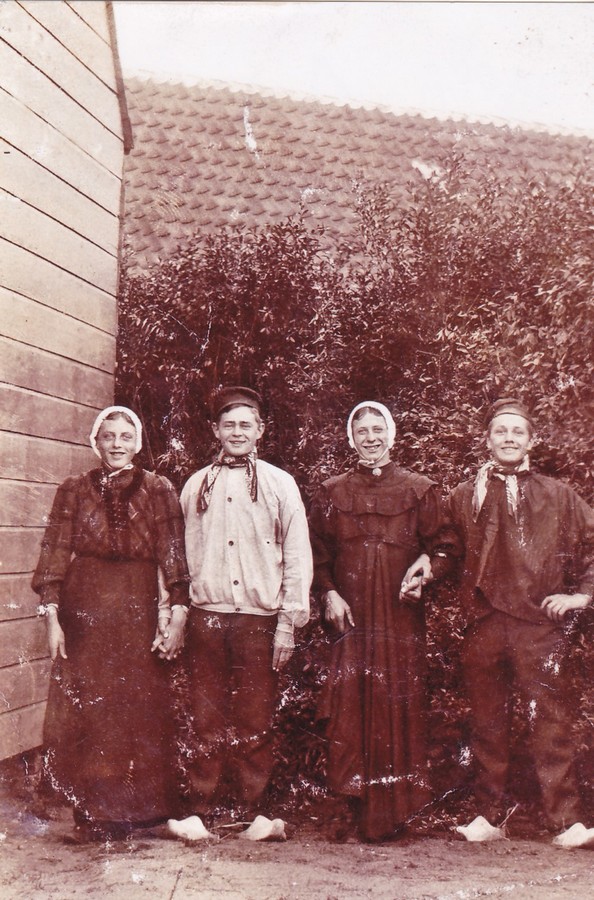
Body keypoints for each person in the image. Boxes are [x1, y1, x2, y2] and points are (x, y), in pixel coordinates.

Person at [412, 397, 594, 847]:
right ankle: (489, 817)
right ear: (488, 440)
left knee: (550, 721)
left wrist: (581, 595)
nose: (509, 439)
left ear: (532, 441)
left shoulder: (558, 496)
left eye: (517, 432)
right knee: (486, 723)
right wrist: (427, 569)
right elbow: (448, 549)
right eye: (501, 431)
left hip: (539, 626)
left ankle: (566, 821)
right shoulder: (463, 496)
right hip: (485, 623)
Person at [32, 406, 191, 842]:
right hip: (85, 607)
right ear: (96, 442)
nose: (117, 444)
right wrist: (52, 619)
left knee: (137, 705)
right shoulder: (73, 489)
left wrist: (177, 613)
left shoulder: (158, 488)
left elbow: (173, 555)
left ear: (137, 443)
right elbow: (53, 556)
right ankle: (91, 815)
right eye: (108, 436)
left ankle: (140, 813)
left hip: (138, 606)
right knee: (89, 708)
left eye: (125, 437)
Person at [309, 401, 456, 843]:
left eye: (378, 430)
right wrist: (328, 593)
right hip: (350, 619)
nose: (370, 438)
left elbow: (446, 546)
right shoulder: (331, 492)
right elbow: (315, 554)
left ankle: (393, 815)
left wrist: (427, 569)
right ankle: (351, 809)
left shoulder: (420, 490)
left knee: (397, 705)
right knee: (348, 708)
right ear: (351, 438)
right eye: (362, 431)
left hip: (398, 618)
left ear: (391, 435)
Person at [173, 386, 312, 840]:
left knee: (256, 717)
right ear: (215, 430)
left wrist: (288, 622)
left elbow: (297, 554)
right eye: (228, 425)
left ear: (260, 431)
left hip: (259, 618)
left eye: (245, 425)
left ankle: (257, 813)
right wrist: (175, 613)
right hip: (207, 616)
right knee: (205, 716)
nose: (237, 432)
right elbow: (179, 555)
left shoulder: (279, 484)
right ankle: (200, 810)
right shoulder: (196, 485)